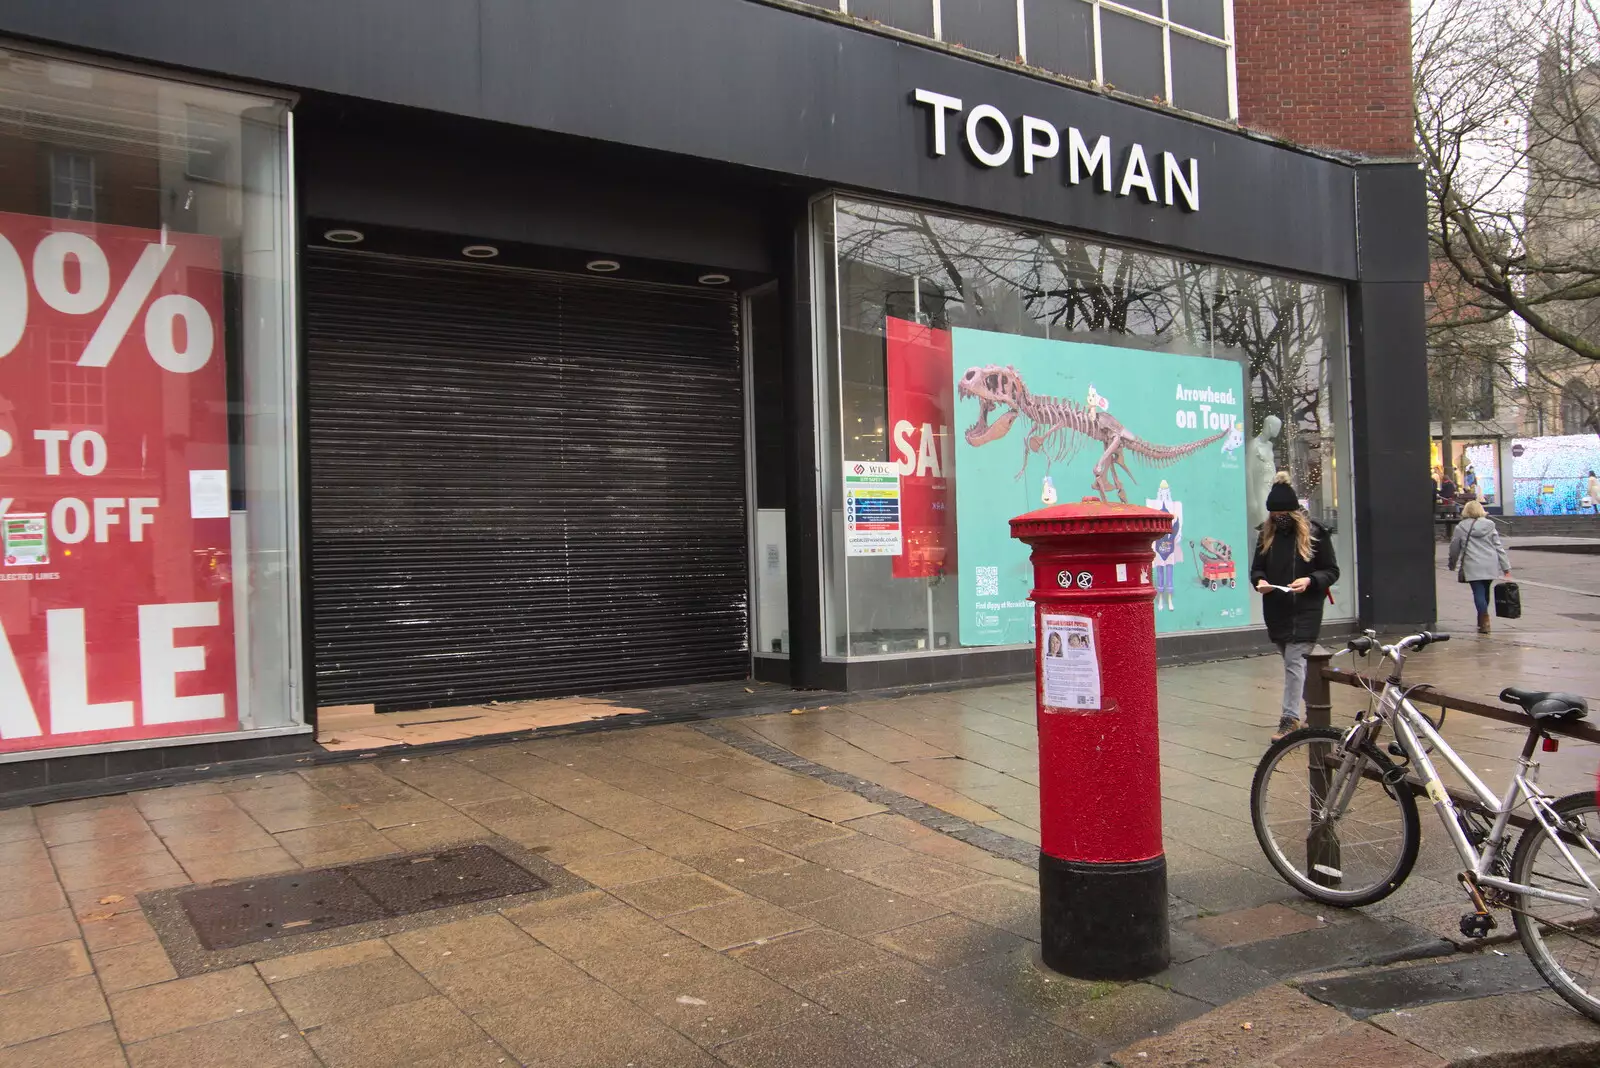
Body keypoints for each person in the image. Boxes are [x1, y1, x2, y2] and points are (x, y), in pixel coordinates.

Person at [1251, 472, 1340, 741]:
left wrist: (1311, 580)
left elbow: (1332, 571)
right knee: (1296, 666)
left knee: (1294, 663)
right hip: (1277, 609)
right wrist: (1260, 582)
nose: (1278, 518)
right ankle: (1315, 710)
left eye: (1282, 512)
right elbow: (1256, 570)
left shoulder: (1315, 534)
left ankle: (1289, 720)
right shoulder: (1266, 535)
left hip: (1306, 609)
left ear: (1293, 511)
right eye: (1274, 513)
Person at [1448, 500, 1512, 634]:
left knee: (1478, 592)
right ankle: (1483, 620)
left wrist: (1452, 563)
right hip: (1490, 563)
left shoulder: (1461, 527)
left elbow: (1454, 547)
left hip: (1472, 564)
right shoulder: (1490, 525)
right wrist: (1506, 568)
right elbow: (1498, 546)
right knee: (1486, 591)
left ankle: (1484, 621)